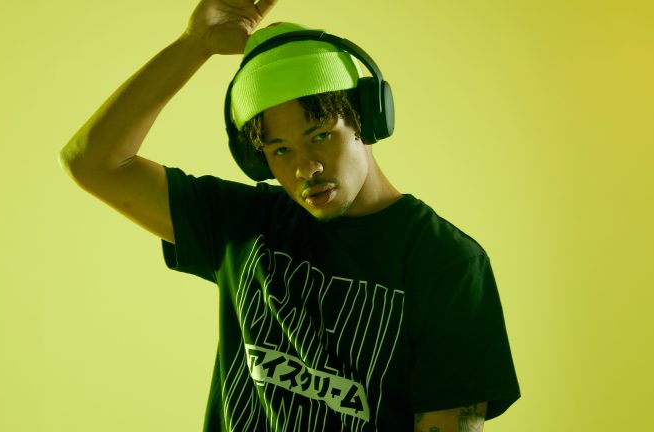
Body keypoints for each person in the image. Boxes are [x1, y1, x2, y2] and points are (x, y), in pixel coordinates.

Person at [59, 0, 521, 430]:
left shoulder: (448, 264)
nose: (305, 168)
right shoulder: (242, 224)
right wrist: (194, 44)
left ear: (366, 118)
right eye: (280, 150)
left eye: (320, 135)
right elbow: (93, 162)